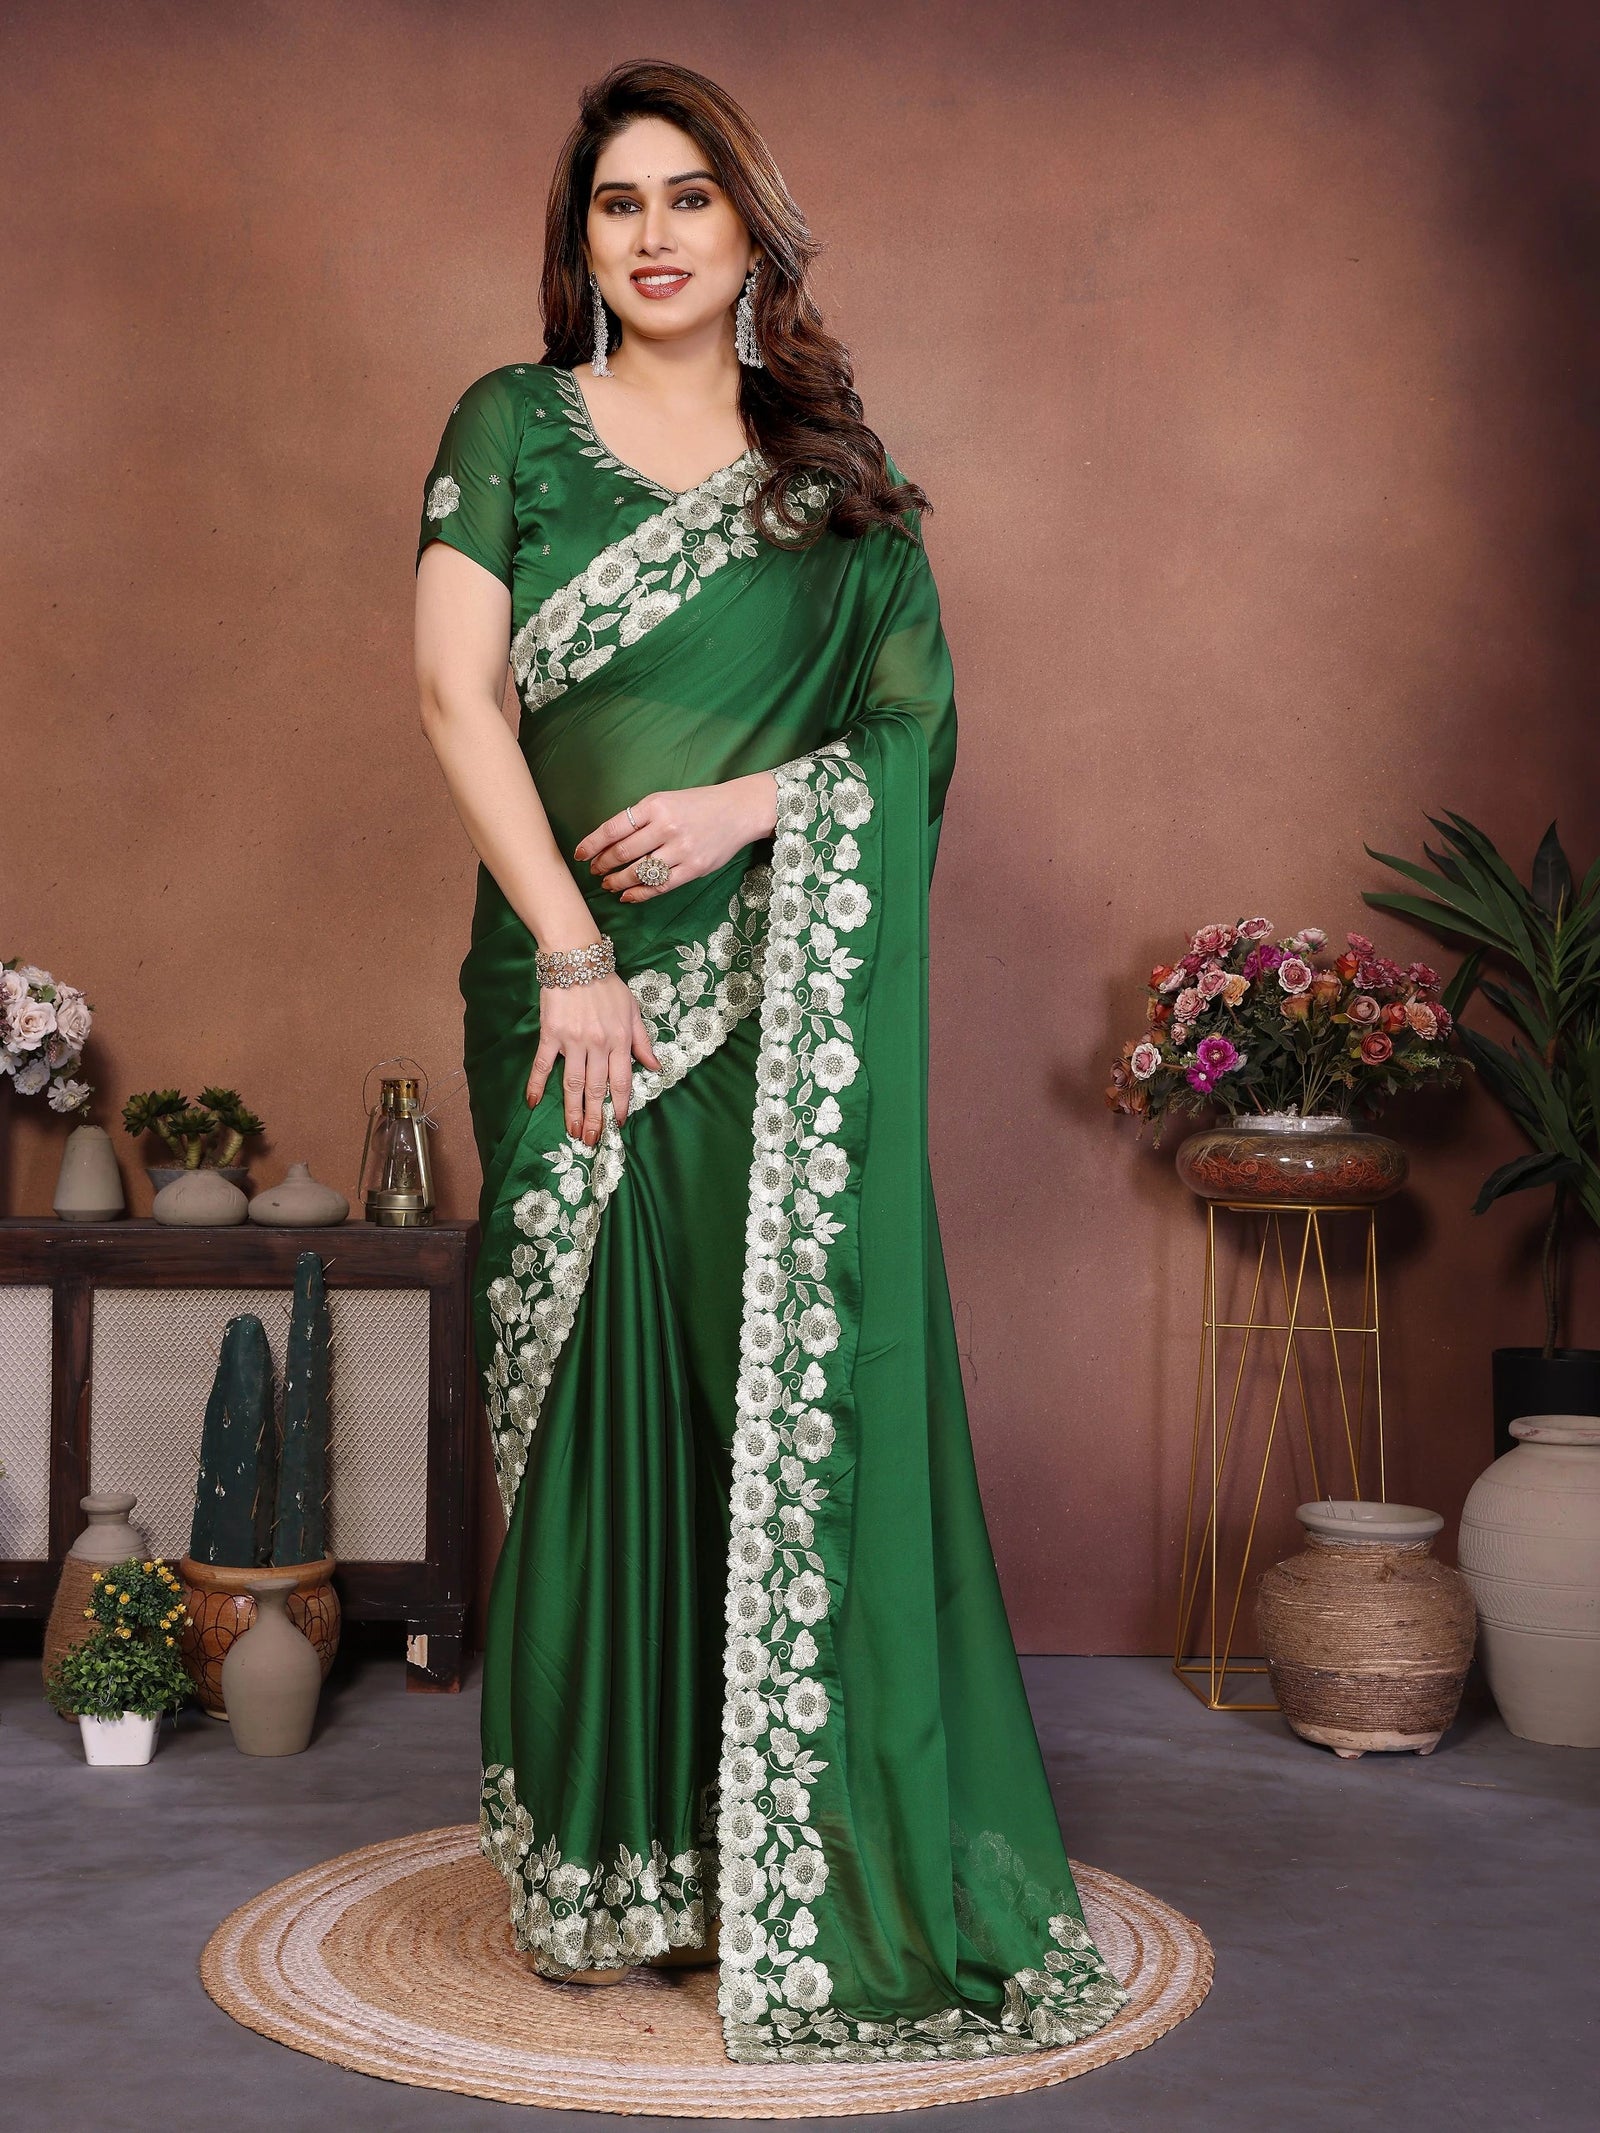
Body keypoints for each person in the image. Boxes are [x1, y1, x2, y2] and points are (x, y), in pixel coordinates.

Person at [413, 57, 1126, 2066]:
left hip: (753, 994)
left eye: (685, 198)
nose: (649, 233)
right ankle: (599, 1856)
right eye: (615, 204)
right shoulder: (510, 429)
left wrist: (751, 816)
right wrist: (569, 950)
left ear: (747, 231)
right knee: (578, 1400)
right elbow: (453, 694)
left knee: (757, 1392)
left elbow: (911, 736)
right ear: (580, 244)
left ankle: (764, 1846)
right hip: (560, 994)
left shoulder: (830, 481)